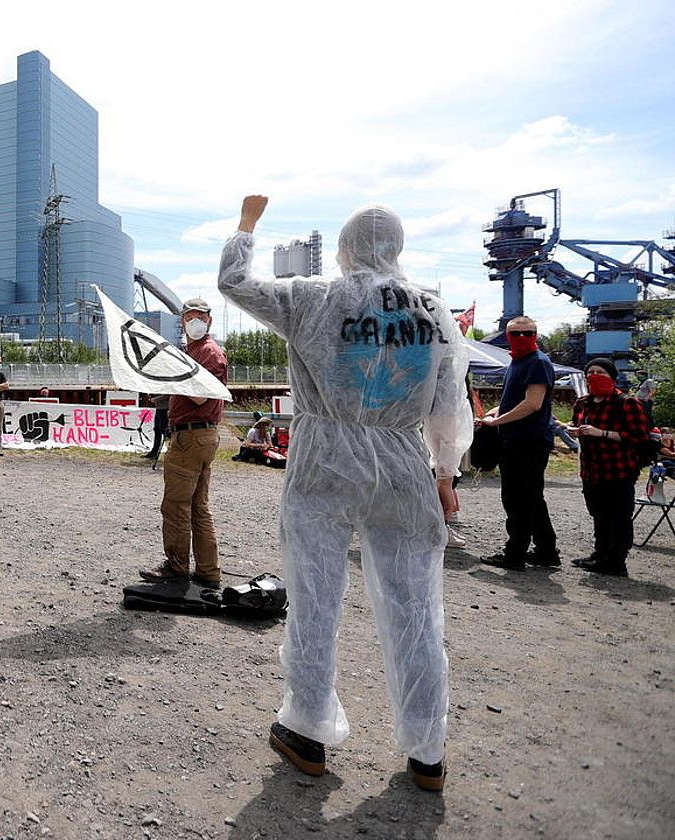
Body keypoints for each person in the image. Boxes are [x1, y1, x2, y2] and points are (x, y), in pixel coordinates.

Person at [220, 195, 471, 792]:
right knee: (415, 610)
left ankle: (306, 730)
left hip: (325, 459)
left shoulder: (316, 297)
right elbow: (448, 404)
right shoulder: (434, 313)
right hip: (403, 462)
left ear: (345, 247)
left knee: (315, 599)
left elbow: (234, 283)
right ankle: (427, 752)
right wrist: (444, 473)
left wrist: (247, 225)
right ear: (398, 249)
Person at [139, 296, 229, 589]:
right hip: (199, 434)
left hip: (191, 436)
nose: (194, 322)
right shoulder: (195, 352)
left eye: (199, 317)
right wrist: (167, 395)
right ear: (182, 321)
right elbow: (195, 394)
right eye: (189, 317)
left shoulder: (208, 353)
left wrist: (175, 378)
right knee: (197, 506)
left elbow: (201, 396)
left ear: (209, 321)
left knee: (176, 505)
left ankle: (177, 566)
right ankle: (207, 570)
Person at [478, 315, 560, 570]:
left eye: (529, 333)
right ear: (508, 336)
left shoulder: (537, 362)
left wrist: (498, 421)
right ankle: (546, 551)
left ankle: (514, 554)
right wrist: (495, 411)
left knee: (517, 499)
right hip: (520, 439)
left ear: (536, 334)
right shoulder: (519, 361)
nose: (523, 338)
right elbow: (515, 399)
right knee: (532, 498)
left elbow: (533, 403)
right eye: (517, 334)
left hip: (527, 442)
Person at [569, 357, 649, 577]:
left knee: (619, 515)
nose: (595, 376)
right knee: (598, 513)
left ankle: (616, 560)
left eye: (601, 373)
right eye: (591, 372)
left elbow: (639, 437)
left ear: (612, 377)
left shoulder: (627, 403)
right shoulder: (583, 402)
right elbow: (577, 424)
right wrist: (573, 430)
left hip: (619, 469)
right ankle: (600, 553)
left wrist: (601, 432)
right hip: (591, 469)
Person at [145, 394, 171, 460]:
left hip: (165, 408)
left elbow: (168, 394)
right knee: (157, 430)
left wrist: (155, 399)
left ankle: (172, 448)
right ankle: (154, 452)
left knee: (164, 430)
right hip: (159, 407)